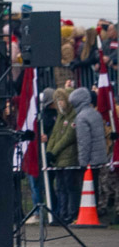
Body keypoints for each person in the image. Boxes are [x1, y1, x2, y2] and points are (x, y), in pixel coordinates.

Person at [70, 86, 108, 213]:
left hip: (90, 159)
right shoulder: (95, 114)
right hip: (100, 156)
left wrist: (83, 162)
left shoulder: (81, 118)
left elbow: (84, 142)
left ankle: (89, 213)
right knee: (97, 187)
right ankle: (98, 210)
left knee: (88, 187)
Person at [46, 87, 79, 223]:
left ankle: (71, 214)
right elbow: (54, 135)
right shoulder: (60, 116)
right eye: (57, 100)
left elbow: (68, 137)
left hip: (69, 158)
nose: (59, 103)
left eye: (61, 99)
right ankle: (61, 213)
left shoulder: (74, 115)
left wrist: (54, 151)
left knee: (69, 187)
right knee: (60, 187)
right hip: (58, 160)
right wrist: (49, 151)